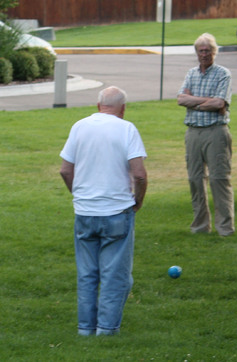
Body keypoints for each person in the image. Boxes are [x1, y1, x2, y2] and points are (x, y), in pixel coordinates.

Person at [59, 86, 148, 336]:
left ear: (98, 105)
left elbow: (65, 170)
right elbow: (139, 174)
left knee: (87, 274)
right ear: (122, 109)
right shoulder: (126, 128)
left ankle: (85, 329)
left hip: (85, 211)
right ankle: (107, 330)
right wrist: (137, 200)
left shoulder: (79, 126)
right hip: (117, 211)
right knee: (114, 274)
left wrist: (78, 194)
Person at [177, 33, 234, 236]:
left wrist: (195, 102)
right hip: (193, 133)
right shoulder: (191, 73)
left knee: (219, 179)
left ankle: (225, 228)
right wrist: (205, 103)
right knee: (195, 179)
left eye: (208, 51)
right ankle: (200, 227)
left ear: (214, 52)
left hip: (215, 132)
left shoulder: (222, 74)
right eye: (201, 51)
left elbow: (220, 103)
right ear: (196, 52)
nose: (204, 54)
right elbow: (181, 99)